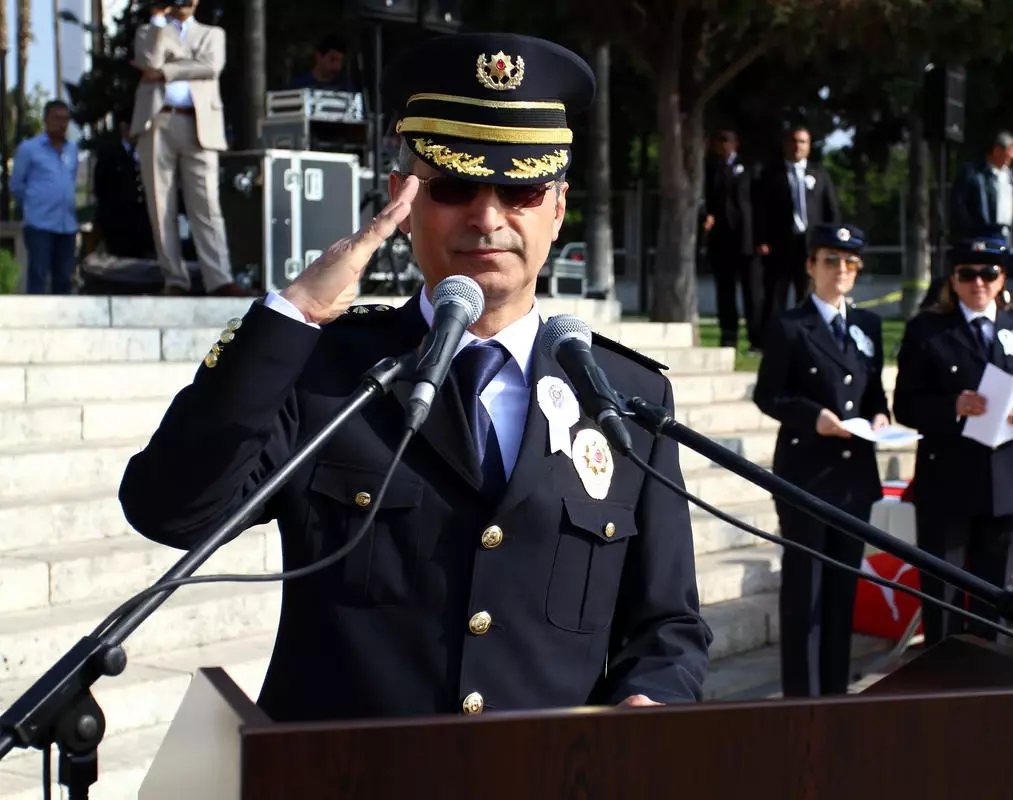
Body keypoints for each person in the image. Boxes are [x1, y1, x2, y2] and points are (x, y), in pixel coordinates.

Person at [119, 32, 711, 722]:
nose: (488, 218)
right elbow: (171, 510)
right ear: (402, 199)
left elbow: (668, 624)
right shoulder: (326, 369)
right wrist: (292, 316)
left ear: (557, 206)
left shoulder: (622, 396)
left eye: (520, 190)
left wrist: (649, 697)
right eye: (455, 184)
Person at [893, 237, 1013, 647]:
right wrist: (952, 405)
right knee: (943, 595)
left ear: (1002, 278)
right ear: (953, 279)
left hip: (1008, 480)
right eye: (968, 274)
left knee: (997, 595)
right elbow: (905, 406)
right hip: (948, 482)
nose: (979, 283)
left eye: (989, 273)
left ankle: (988, 682)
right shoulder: (927, 330)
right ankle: (944, 685)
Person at [752, 223, 888, 698]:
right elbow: (769, 394)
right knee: (805, 591)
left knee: (842, 589)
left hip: (854, 475)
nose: (842, 271)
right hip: (806, 474)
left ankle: (834, 692)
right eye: (831, 260)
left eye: (851, 262)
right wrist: (814, 418)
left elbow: (874, 392)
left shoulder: (868, 326)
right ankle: (802, 696)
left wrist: (881, 416)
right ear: (811, 265)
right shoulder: (790, 324)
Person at [131, 1, 250, 297]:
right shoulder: (149, 30)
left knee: (207, 203)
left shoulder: (212, 33)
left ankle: (219, 278)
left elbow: (211, 67)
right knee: (161, 204)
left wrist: (164, 72)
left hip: (200, 123)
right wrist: (158, 20)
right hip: (157, 120)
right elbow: (147, 61)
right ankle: (174, 279)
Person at [752, 125, 840, 320]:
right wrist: (761, 239)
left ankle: (806, 334)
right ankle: (772, 338)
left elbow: (830, 210)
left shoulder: (819, 174)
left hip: (810, 244)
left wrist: (831, 241)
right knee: (775, 292)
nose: (797, 146)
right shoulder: (769, 174)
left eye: (802, 142)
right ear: (785, 144)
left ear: (808, 146)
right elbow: (760, 209)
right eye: (793, 141)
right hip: (779, 243)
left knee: (807, 290)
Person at [12, 100, 78, 294]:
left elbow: (70, 180)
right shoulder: (29, 148)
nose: (62, 124)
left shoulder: (72, 149)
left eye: (65, 119)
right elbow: (17, 185)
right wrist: (32, 206)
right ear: (46, 120)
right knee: (39, 276)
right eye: (57, 118)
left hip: (67, 225)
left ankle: (63, 322)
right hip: (39, 223)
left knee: (64, 279)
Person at [702, 129, 759, 349]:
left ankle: (756, 338)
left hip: (746, 240)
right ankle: (728, 336)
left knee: (751, 292)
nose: (722, 145)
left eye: (726, 141)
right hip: (721, 240)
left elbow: (756, 204)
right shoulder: (711, 169)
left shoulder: (748, 169)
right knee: (725, 291)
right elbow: (706, 199)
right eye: (719, 141)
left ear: (735, 144)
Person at [92, 111, 157, 260]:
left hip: (143, 225)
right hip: (118, 224)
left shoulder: (146, 151)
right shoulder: (110, 154)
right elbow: (100, 188)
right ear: (124, 128)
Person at [950, 131, 1013, 247]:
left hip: (1008, 235)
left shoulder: (1012, 175)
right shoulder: (973, 174)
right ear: (997, 150)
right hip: (981, 236)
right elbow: (959, 205)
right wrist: (970, 231)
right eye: (1010, 151)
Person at [286, 34, 354, 91]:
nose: (337, 66)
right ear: (318, 56)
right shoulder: (299, 86)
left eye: (341, 61)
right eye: (333, 60)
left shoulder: (347, 88)